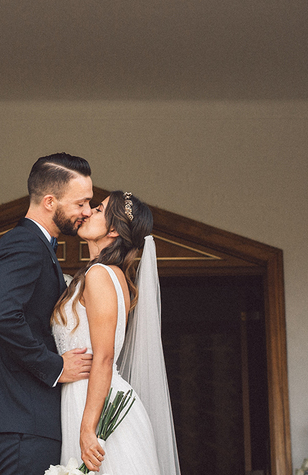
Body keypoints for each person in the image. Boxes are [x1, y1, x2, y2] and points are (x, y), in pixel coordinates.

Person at [0, 154, 97, 475]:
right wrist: (55, 366)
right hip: (21, 420)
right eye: (81, 203)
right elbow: (0, 317)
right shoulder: (24, 245)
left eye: (89, 203)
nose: (87, 212)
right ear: (50, 201)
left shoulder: (38, 246)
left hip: (26, 419)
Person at [52, 190, 181, 475]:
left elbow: (105, 356)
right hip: (87, 399)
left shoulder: (101, 275)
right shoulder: (104, 274)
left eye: (98, 209)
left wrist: (88, 429)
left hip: (99, 408)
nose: (88, 212)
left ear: (113, 229)